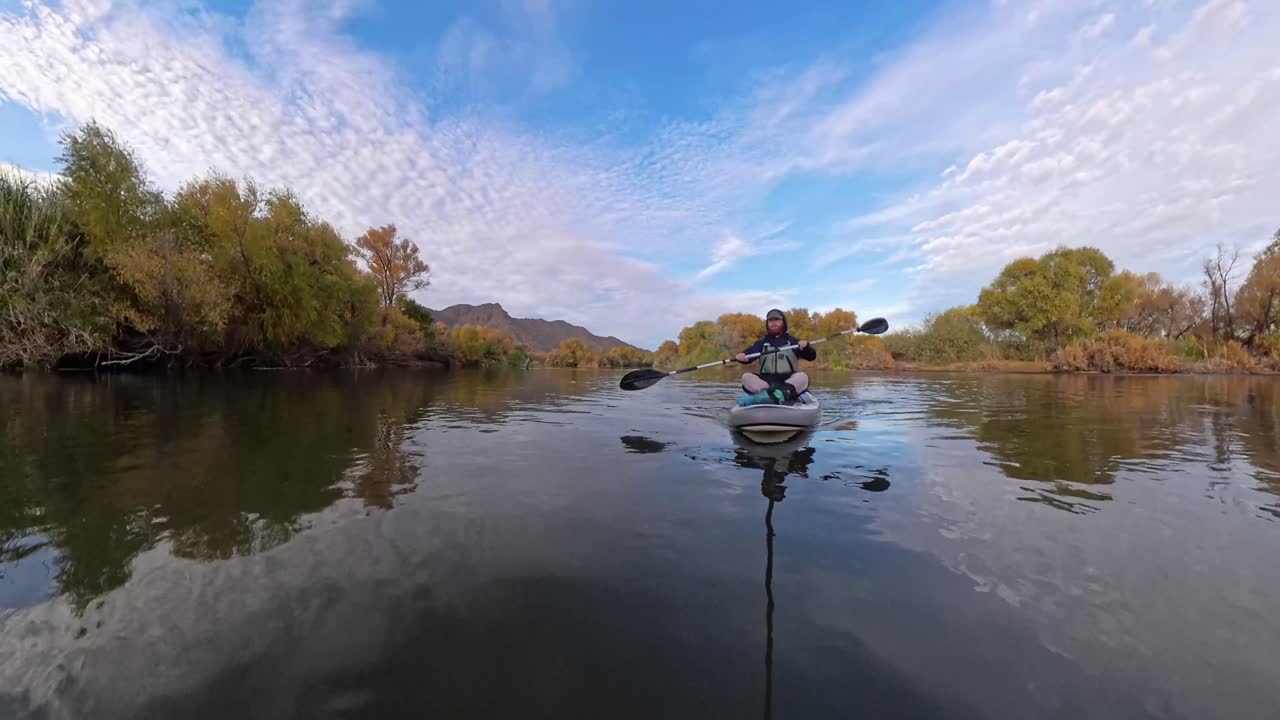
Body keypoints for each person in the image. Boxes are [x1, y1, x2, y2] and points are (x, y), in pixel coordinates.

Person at [735, 309, 815, 404]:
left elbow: (811, 356)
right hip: (766, 382)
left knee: (803, 376)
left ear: (783, 322)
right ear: (767, 323)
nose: (773, 323)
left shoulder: (793, 342)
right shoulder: (762, 343)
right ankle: (770, 395)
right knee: (746, 377)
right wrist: (742, 356)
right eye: (771, 321)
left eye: (777, 320)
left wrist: (806, 348)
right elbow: (748, 356)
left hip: (788, 381)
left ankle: (779, 394)